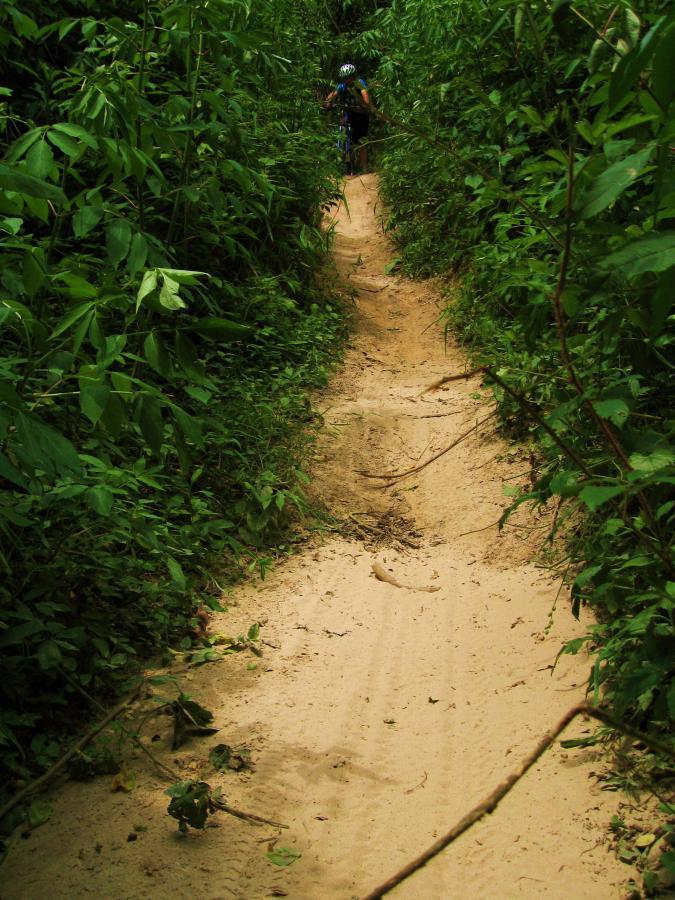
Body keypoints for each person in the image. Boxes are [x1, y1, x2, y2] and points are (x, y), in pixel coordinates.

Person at [324, 63, 371, 173]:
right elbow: (332, 94)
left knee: (361, 140)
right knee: (341, 130)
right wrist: (327, 102)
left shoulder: (360, 83)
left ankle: (364, 167)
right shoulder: (342, 86)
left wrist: (365, 103)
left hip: (360, 114)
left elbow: (365, 94)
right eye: (345, 78)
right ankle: (341, 159)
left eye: (350, 77)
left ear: (354, 76)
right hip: (348, 113)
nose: (348, 80)